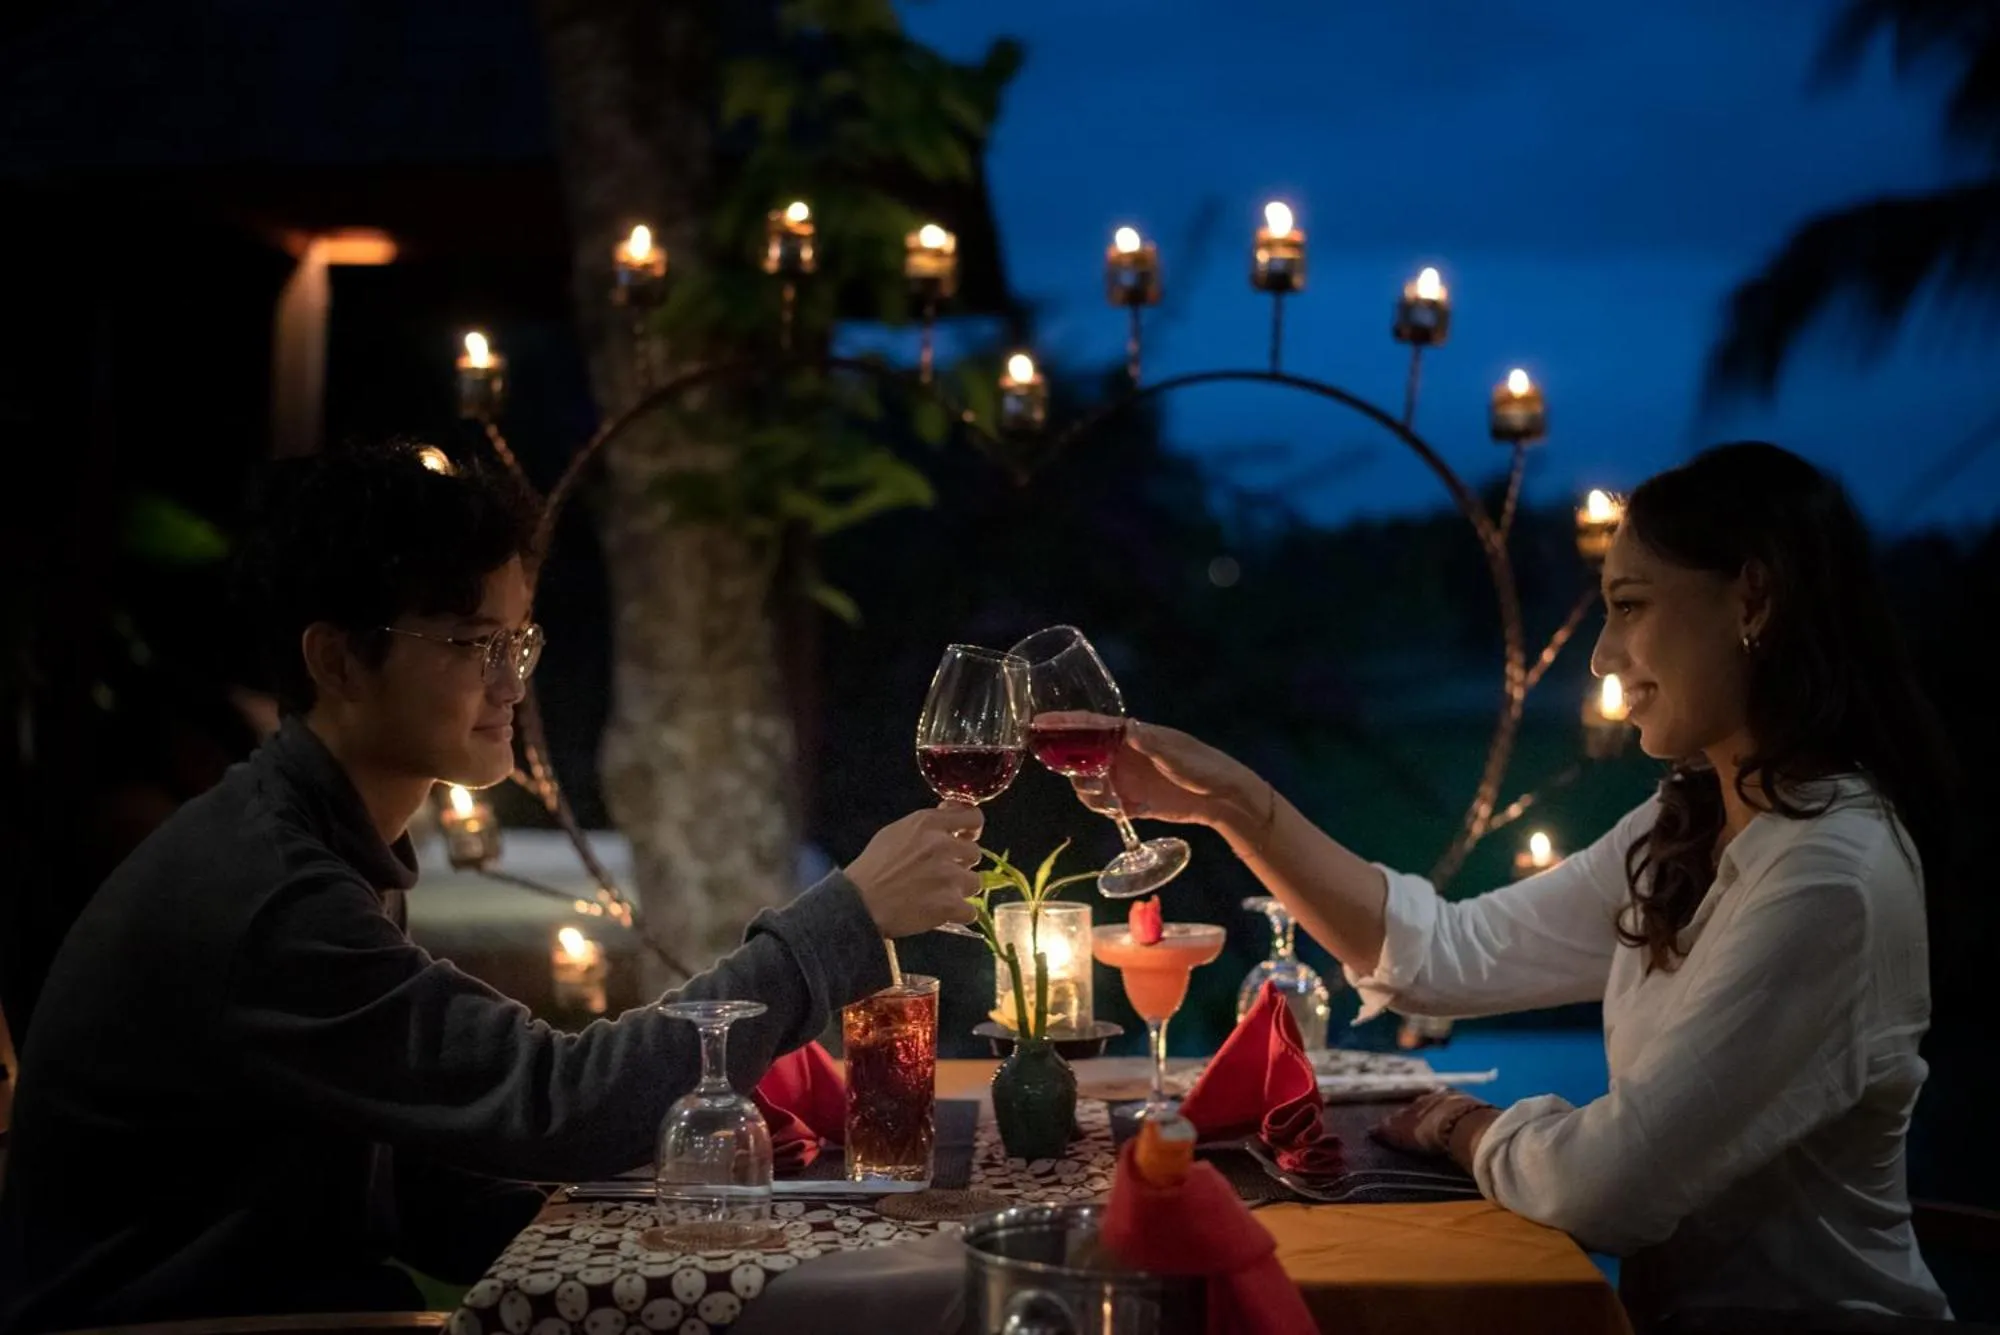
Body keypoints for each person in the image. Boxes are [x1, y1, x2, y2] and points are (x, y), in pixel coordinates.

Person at [0, 442, 981, 1334]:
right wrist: (842, 917)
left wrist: (644, 1236)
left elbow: (423, 1162)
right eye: (475, 645)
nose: (513, 681)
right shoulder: (269, 894)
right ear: (338, 658)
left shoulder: (317, 842)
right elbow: (555, 1103)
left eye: (520, 641)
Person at [1073, 442, 1956, 1328]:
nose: (1605, 657)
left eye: (1629, 607)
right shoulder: (1688, 825)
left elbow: (1612, 1185)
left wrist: (1465, 1128)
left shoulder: (1828, 879)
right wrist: (1235, 804)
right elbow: (1443, 954)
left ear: (1753, 598)